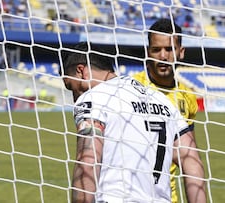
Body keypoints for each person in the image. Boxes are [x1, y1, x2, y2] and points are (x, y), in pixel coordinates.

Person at [60, 42, 205, 203]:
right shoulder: (162, 101)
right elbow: (192, 163)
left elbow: (87, 160)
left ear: (81, 71)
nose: (74, 98)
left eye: (70, 87)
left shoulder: (93, 98)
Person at [132, 18, 205, 203]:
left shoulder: (187, 96)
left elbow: (188, 156)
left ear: (181, 52)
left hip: (167, 198)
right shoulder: (129, 87)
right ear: (148, 52)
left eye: (169, 49)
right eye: (156, 49)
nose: (163, 56)